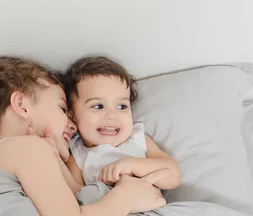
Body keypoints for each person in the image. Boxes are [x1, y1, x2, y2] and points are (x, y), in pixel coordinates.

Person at [0, 56, 168, 216]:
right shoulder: (26, 148)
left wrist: (56, 159)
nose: (73, 125)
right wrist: (126, 196)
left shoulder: (16, 155)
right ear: (21, 105)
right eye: (63, 109)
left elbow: (78, 201)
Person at [63, 55, 181, 189]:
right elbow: (74, 201)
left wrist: (131, 166)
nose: (112, 115)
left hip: (153, 208)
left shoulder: (137, 138)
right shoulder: (78, 157)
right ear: (72, 115)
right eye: (98, 106)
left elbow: (173, 175)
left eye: (121, 106)